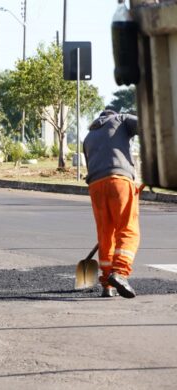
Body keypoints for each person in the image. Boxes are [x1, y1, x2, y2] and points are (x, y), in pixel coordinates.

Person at [83, 108, 140, 299]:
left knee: (106, 234)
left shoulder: (89, 136)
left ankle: (107, 284)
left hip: (96, 186)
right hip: (119, 181)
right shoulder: (122, 119)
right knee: (128, 229)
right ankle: (121, 273)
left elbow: (91, 164)